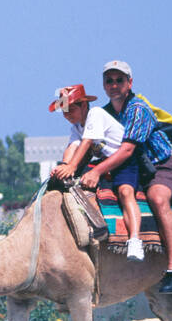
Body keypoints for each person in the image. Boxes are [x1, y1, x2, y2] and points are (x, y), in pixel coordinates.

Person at [83, 60, 172, 293]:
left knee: (157, 199)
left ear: (130, 83)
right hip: (126, 169)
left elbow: (127, 150)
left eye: (120, 80)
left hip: (156, 167)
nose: (114, 85)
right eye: (109, 81)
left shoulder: (138, 109)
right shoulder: (105, 113)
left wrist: (97, 171)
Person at [49, 84, 144, 259]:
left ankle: (135, 240)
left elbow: (86, 142)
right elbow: (72, 147)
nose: (67, 114)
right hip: (104, 162)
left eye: (70, 109)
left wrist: (71, 167)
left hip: (124, 161)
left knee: (125, 192)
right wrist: (62, 166)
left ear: (84, 105)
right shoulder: (76, 127)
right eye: (63, 110)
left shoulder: (96, 114)